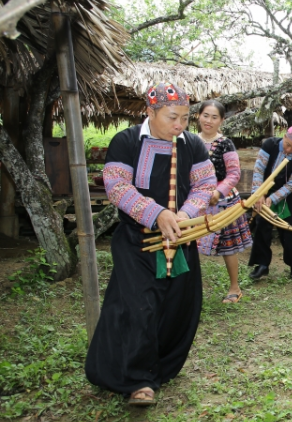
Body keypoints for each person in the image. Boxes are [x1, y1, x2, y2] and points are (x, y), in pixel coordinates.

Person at [85, 83, 216, 405]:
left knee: (178, 308)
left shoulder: (193, 145)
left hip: (180, 240)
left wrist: (182, 216)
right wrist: (155, 214)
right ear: (150, 112)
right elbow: (116, 186)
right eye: (173, 117)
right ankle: (139, 381)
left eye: (186, 118)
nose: (179, 126)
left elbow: (205, 185)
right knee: (138, 306)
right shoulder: (126, 141)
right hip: (136, 241)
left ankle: (161, 366)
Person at [195, 100, 252, 304]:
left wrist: (218, 192)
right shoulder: (189, 141)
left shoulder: (225, 143)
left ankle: (234, 287)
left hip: (223, 201)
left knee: (228, 246)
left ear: (221, 120)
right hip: (194, 200)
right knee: (190, 244)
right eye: (205, 115)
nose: (209, 121)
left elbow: (234, 174)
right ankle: (190, 289)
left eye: (214, 117)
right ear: (198, 116)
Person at [248, 125, 292, 280]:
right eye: (288, 145)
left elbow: (291, 185)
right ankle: (262, 265)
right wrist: (259, 194)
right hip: (264, 189)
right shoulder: (269, 144)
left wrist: (273, 198)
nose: (289, 150)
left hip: (288, 196)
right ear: (284, 136)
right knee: (262, 226)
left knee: (291, 229)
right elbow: (259, 170)